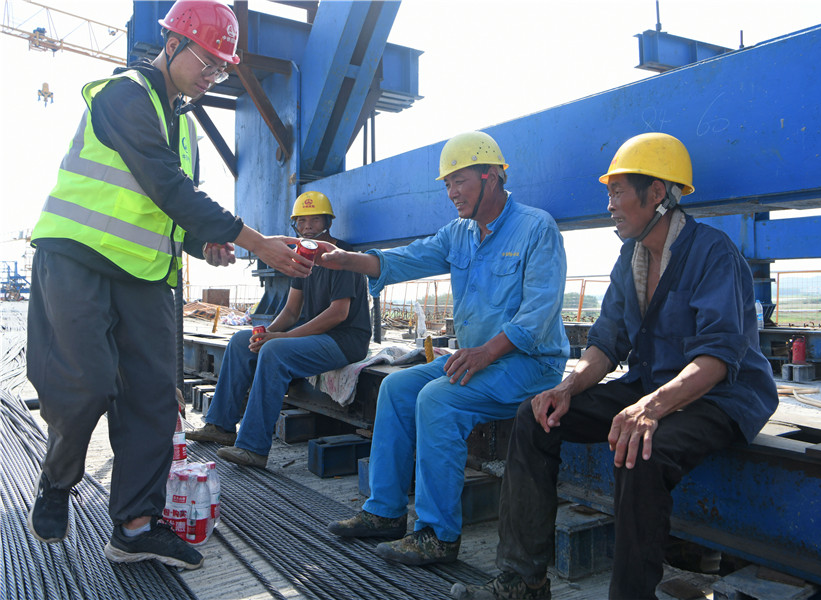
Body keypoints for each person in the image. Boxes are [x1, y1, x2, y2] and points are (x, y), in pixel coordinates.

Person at [26, 0, 311, 571]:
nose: (212, 75)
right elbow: (162, 182)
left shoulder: (183, 126)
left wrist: (199, 242)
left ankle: (134, 526)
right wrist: (256, 241)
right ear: (175, 43)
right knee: (86, 386)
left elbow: (168, 209)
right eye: (208, 61)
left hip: (146, 276)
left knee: (156, 400)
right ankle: (58, 480)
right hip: (78, 258)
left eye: (222, 70)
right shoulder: (123, 95)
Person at [452, 132, 779, 600]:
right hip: (651, 386)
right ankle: (523, 580)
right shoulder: (632, 258)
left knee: (642, 450)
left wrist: (651, 408)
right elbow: (607, 341)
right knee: (535, 417)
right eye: (609, 193)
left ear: (658, 194)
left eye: (619, 191)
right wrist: (568, 388)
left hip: (719, 396)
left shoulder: (713, 253)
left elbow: (717, 359)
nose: (610, 205)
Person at [318, 131, 570, 566]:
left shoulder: (536, 228)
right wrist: (345, 259)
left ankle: (437, 534)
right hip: (478, 360)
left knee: (439, 399)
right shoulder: (459, 234)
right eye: (447, 184)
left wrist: (486, 353)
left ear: (492, 177)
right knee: (397, 390)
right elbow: (404, 260)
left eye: (460, 181)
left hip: (528, 364)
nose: (451, 193)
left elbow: (538, 315)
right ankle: (385, 512)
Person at [187, 191, 371, 468]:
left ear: (327, 222)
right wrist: (264, 334)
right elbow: (291, 311)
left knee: (275, 351)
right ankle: (220, 426)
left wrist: (280, 338)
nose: (307, 227)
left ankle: (253, 447)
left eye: (314, 220)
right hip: (317, 336)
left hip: (344, 340)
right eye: (301, 221)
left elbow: (338, 313)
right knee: (241, 340)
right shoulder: (304, 258)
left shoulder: (342, 256)